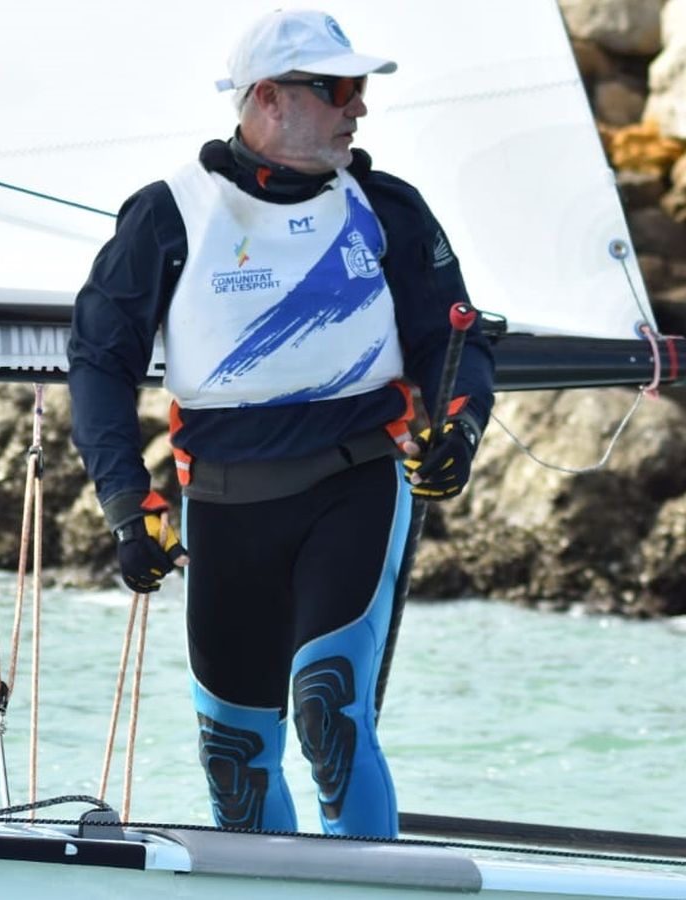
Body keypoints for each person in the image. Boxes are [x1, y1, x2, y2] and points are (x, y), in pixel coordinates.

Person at [67, 10, 494, 838]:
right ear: (267, 97)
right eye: (338, 89)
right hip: (223, 502)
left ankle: (370, 889)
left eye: (359, 88)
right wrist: (125, 501)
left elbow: (455, 340)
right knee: (233, 755)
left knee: (328, 711)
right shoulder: (169, 216)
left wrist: (463, 428)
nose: (358, 107)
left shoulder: (387, 209)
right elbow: (98, 362)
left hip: (354, 482)